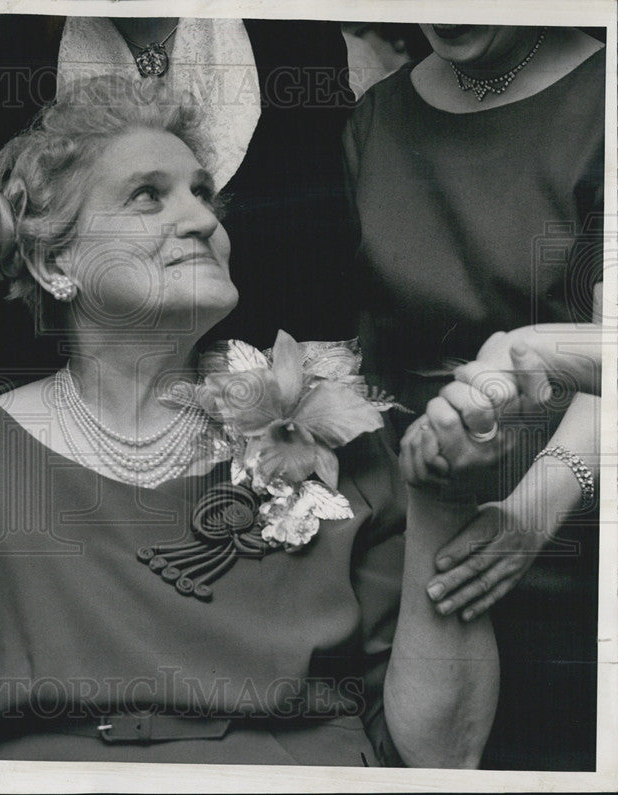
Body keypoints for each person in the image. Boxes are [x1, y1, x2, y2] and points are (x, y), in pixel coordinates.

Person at [0, 76, 498, 765]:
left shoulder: (342, 432)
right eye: (148, 197)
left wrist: (442, 504)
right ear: (59, 264)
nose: (202, 219)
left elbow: (444, 752)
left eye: (204, 195)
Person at [0, 14, 359, 476]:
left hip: (268, 425)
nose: (196, 217)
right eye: (148, 195)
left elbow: (319, 256)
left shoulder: (294, 40)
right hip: (77, 417)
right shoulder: (3, 56)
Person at [343, 24, 603, 769]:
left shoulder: (603, 94)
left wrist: (533, 514)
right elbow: (367, 351)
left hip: (567, 524)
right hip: (415, 529)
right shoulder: (377, 118)